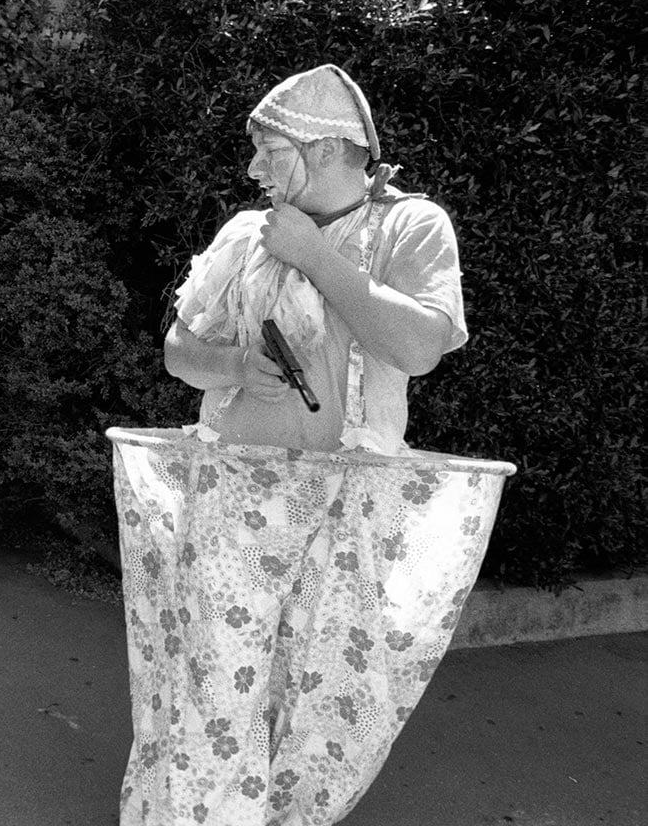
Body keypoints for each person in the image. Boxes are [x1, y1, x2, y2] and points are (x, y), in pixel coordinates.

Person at [126, 64, 468, 824]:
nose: (252, 170)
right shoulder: (246, 234)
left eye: (269, 151)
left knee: (321, 696)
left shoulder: (412, 227)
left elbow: (418, 347)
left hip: (351, 508)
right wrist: (235, 365)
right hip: (237, 498)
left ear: (328, 150)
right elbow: (180, 349)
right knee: (215, 681)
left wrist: (316, 256)